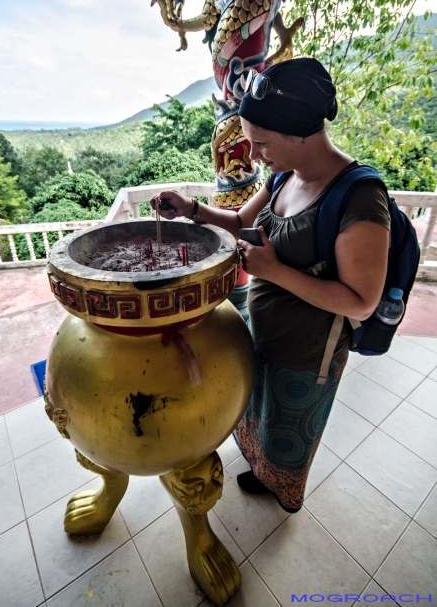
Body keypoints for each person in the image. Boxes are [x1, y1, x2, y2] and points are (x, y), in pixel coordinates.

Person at [150, 58, 390, 513]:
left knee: (288, 432)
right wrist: (191, 209)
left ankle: (284, 489)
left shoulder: (358, 197)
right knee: (260, 413)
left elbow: (361, 302)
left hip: (307, 353)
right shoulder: (284, 173)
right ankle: (263, 469)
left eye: (261, 143)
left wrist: (273, 270)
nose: (253, 155)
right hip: (264, 334)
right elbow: (242, 220)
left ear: (301, 133)